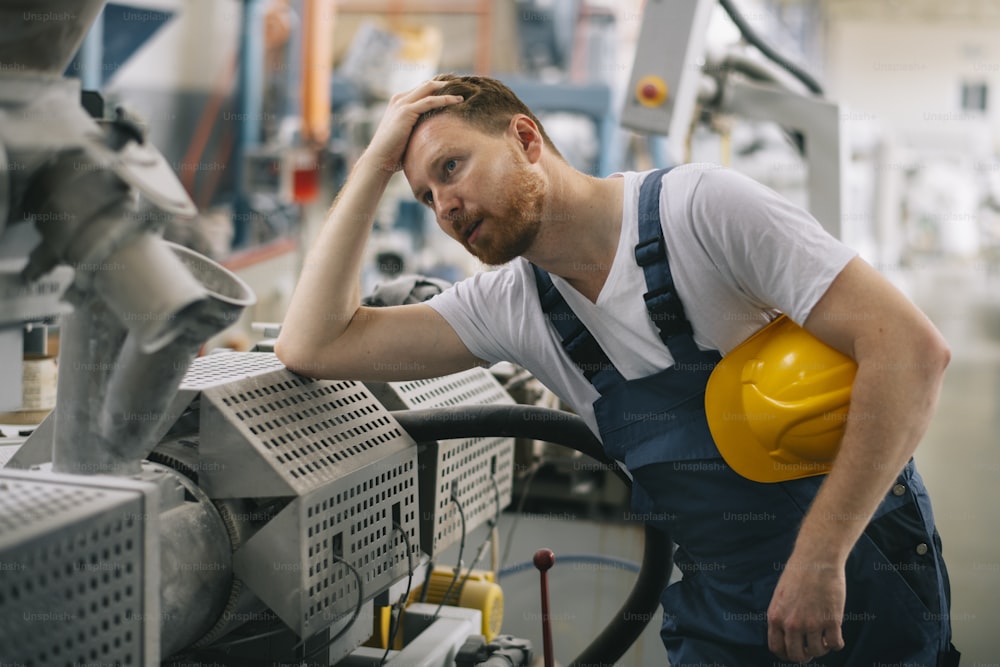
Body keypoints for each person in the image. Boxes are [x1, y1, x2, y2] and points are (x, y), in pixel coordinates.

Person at [275, 74, 960, 665]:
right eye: (426, 196)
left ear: (525, 138)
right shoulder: (515, 307)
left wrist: (819, 558)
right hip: (725, 606)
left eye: (451, 168)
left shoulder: (702, 211)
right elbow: (313, 344)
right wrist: (371, 164)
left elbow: (909, 350)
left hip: (858, 570)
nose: (444, 207)